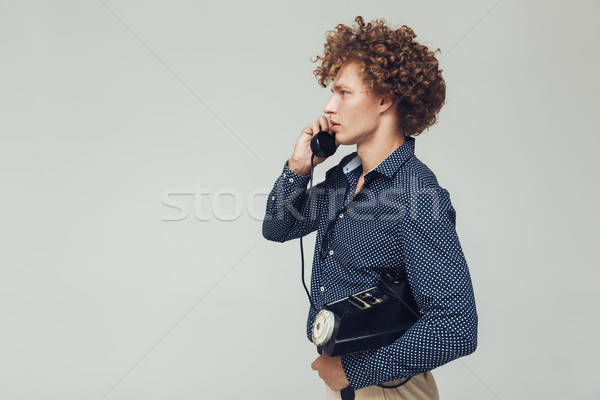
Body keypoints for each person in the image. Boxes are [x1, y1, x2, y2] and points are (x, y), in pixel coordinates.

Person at [262, 16, 477, 399]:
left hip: (389, 388)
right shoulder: (345, 178)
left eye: (343, 93)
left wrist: (353, 371)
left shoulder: (416, 195)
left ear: (384, 99)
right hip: (345, 381)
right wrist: (298, 167)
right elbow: (278, 228)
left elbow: (456, 325)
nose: (329, 107)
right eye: (332, 92)